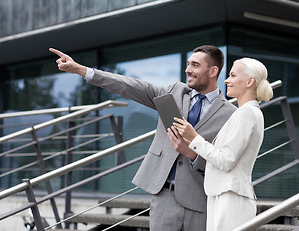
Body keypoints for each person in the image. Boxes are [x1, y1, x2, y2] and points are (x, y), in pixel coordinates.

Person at [49, 45, 237, 231]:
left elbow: (227, 162)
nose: (187, 69)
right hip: (164, 198)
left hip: (200, 202)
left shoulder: (230, 114)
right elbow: (129, 86)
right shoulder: (174, 91)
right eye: (188, 64)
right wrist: (81, 70)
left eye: (195, 65)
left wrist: (193, 155)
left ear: (213, 71)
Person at [168, 57, 273, 231]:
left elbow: (226, 160)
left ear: (249, 81)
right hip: (224, 195)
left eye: (232, 75)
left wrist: (194, 138)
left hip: (231, 197)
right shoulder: (246, 112)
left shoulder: (246, 113)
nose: (226, 80)